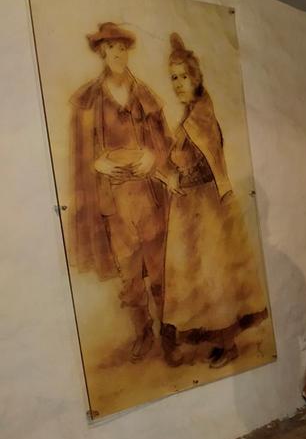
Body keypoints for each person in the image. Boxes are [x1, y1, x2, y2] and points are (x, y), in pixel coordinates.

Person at [157, 34, 269, 369]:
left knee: (214, 277)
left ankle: (228, 343)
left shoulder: (199, 118)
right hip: (192, 210)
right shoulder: (192, 113)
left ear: (196, 78)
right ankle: (219, 340)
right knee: (200, 278)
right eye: (173, 78)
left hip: (205, 210)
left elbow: (206, 167)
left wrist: (171, 177)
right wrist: (169, 174)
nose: (178, 84)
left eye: (184, 76)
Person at [68, 22, 170, 361]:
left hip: (148, 195)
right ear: (101, 53)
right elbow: (80, 152)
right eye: (110, 48)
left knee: (158, 267)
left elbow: (164, 141)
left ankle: (168, 329)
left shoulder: (145, 94)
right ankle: (143, 333)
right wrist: (96, 163)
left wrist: (152, 156)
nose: (117, 54)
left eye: (122, 47)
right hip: (114, 200)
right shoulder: (89, 99)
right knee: (129, 272)